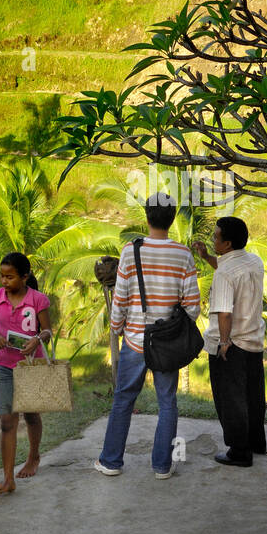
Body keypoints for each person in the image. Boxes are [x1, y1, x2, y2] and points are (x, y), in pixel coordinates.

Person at [95, 192, 201, 479]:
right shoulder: (183, 254)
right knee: (167, 402)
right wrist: (171, 326)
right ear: (172, 218)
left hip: (135, 340)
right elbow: (193, 307)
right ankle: (162, 466)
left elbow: (121, 297)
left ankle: (111, 462)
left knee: (124, 400)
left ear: (146, 216)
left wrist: (117, 328)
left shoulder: (131, 250)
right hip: (166, 345)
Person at [191, 216, 266, 467]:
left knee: (230, 399)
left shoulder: (224, 272)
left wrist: (224, 343)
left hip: (232, 344)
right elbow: (229, 270)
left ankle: (239, 451)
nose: (213, 240)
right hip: (254, 340)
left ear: (228, 243)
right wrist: (206, 257)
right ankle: (257, 442)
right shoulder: (254, 261)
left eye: (216, 237)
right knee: (252, 395)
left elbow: (224, 312)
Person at [0, 252, 51, 494]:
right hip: (4, 365)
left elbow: (48, 330)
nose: (4, 281)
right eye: (1, 276)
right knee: (7, 421)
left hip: (30, 365)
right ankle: (8, 477)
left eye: (9, 277)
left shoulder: (38, 300)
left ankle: (33, 456)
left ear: (24, 276)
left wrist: (37, 340)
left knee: (31, 415)